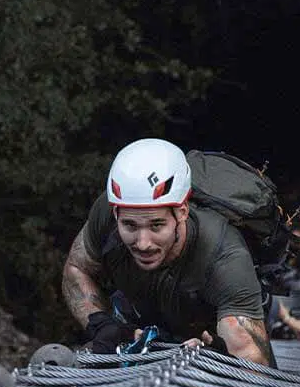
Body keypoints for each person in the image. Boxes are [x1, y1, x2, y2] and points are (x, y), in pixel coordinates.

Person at [61, 138, 277, 368]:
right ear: (116, 215)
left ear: (182, 212)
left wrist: (219, 357)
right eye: (130, 226)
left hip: (209, 343)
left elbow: (254, 365)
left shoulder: (225, 257)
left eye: (156, 225)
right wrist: (101, 324)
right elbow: (77, 268)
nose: (143, 243)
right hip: (143, 330)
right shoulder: (105, 214)